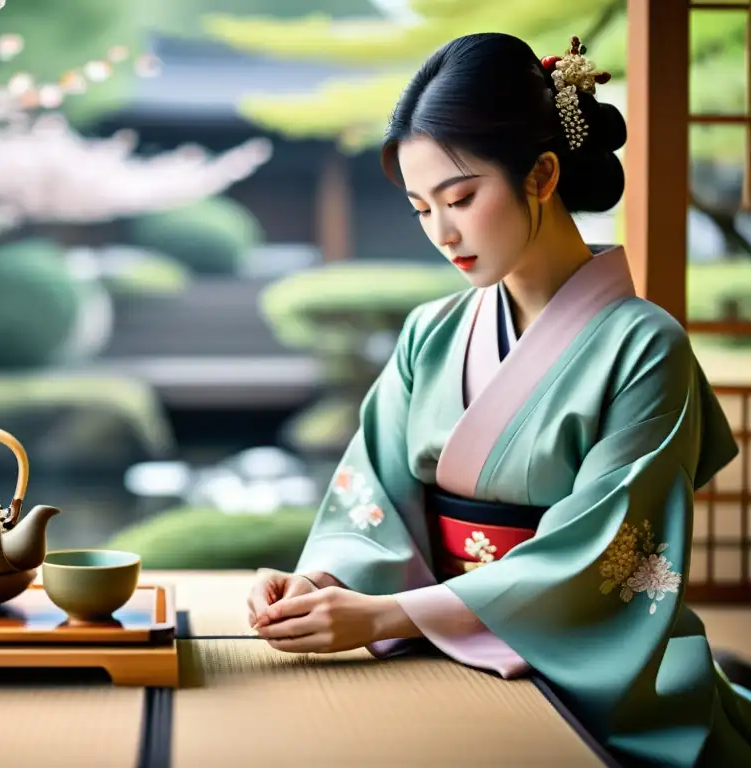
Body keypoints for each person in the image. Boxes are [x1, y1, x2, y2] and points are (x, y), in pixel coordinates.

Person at [246, 32, 751, 767]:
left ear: (542, 174)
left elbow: (602, 557)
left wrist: (388, 613)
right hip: (436, 648)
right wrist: (322, 582)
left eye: (461, 198)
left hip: (590, 670)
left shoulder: (646, 346)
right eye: (421, 209)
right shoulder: (431, 333)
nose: (441, 233)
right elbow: (373, 495)